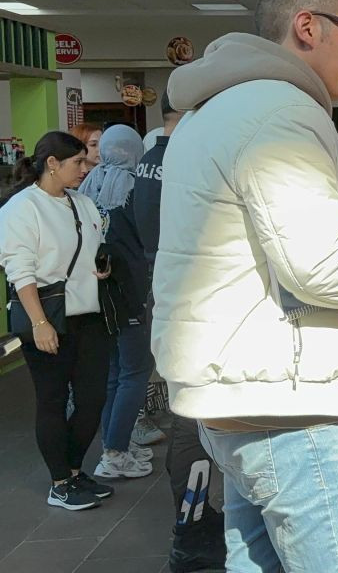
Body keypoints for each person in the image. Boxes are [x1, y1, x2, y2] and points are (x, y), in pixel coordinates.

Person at [151, 0, 338, 572]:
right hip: (284, 403)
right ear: (308, 26)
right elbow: (318, 267)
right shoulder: (282, 111)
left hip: (234, 392)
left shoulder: (211, 110)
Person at [135, 93, 227, 572]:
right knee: (194, 426)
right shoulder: (192, 160)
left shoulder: (148, 162)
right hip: (195, 304)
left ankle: (192, 531)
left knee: (185, 421)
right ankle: (192, 536)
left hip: (164, 296)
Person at [0, 131, 113, 510]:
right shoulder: (22, 207)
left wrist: (101, 267)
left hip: (89, 316)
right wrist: (38, 323)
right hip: (47, 318)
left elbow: (93, 248)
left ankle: (75, 470)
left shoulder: (83, 203)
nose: (86, 168)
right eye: (77, 162)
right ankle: (60, 481)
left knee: (92, 399)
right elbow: (20, 272)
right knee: (51, 400)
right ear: (52, 163)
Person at [79, 125, 156, 480]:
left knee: (113, 373)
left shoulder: (89, 186)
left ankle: (116, 442)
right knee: (135, 372)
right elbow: (147, 240)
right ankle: (115, 453)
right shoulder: (133, 187)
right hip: (129, 293)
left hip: (97, 295)